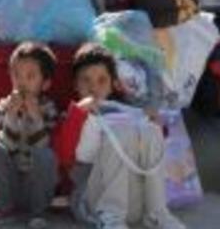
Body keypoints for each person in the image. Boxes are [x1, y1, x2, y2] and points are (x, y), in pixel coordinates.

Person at [53, 44, 183, 229]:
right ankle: (110, 217)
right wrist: (78, 114)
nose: (93, 87)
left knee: (150, 131)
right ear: (76, 84)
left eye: (101, 80)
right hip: (92, 201)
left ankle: (158, 214)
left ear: (113, 84)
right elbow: (64, 156)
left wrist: (155, 124)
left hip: (132, 199)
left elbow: (152, 144)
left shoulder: (123, 112)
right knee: (120, 132)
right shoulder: (71, 116)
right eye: (86, 80)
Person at [0, 42, 60, 229]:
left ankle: (38, 213)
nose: (21, 82)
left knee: (46, 155)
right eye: (16, 75)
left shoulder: (49, 108)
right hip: (10, 182)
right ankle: (4, 208)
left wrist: (36, 117)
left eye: (30, 76)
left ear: (45, 83)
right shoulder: (3, 106)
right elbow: (7, 145)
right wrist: (11, 116)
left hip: (36, 185)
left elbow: (44, 146)